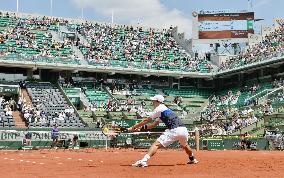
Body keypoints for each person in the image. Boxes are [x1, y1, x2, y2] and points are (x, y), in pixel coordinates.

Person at [128, 95, 198, 167]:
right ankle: (192, 159)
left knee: (156, 144)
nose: (152, 102)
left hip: (174, 130)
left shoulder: (159, 109)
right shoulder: (165, 110)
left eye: (153, 101)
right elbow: (152, 125)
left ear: (157, 101)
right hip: (184, 130)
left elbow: (146, 120)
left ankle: (143, 161)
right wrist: (139, 129)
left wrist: (133, 127)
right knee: (185, 145)